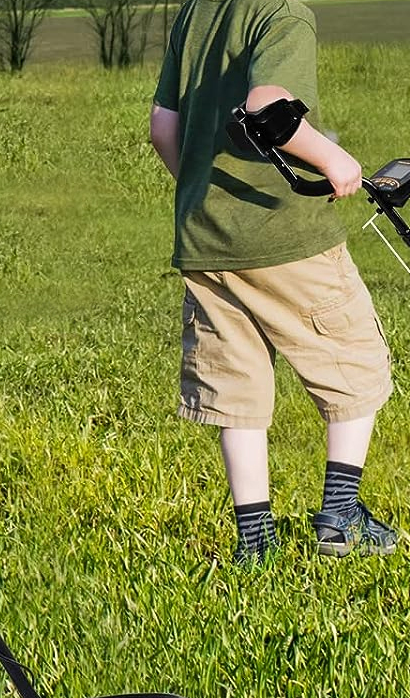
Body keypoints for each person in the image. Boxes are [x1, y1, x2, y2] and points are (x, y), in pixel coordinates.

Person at [149, 0, 398, 563]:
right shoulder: (284, 13)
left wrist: (203, 194)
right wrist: (335, 160)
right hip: (285, 237)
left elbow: (163, 127)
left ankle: (254, 542)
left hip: (206, 241)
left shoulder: (196, 13)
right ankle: (341, 514)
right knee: (354, 359)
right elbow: (269, 107)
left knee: (235, 385)